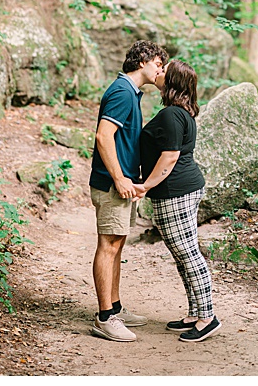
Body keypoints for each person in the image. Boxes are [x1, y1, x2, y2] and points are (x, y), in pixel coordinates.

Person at [89, 40, 168, 342]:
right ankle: (104, 317)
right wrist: (120, 178)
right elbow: (103, 136)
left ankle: (115, 307)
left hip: (121, 184)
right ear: (142, 61)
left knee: (117, 245)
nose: (161, 70)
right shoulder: (122, 92)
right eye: (158, 63)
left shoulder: (130, 93)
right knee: (108, 245)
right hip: (112, 185)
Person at [137, 60, 221, 343]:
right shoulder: (180, 112)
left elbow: (170, 156)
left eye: (164, 70)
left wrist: (146, 185)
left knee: (188, 254)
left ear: (172, 81)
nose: (157, 73)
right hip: (178, 190)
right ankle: (195, 312)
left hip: (177, 191)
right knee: (182, 254)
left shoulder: (173, 114)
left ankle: (207, 317)